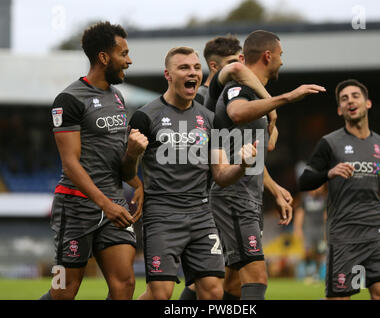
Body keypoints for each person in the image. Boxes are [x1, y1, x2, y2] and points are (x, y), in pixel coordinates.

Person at [129, 46, 257, 300]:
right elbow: (125, 171)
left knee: (213, 291)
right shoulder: (145, 116)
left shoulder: (211, 120)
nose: (193, 73)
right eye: (184, 67)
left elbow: (220, 175)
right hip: (162, 215)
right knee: (160, 294)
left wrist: (242, 165)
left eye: (197, 68)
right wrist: (132, 154)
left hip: (200, 214)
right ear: (168, 74)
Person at [210, 30, 325, 300]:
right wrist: (285, 99)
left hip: (245, 194)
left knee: (233, 283)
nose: (282, 62)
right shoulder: (240, 89)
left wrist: (274, 189)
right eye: (281, 56)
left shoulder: (255, 97)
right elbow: (236, 113)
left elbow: (253, 156)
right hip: (234, 196)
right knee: (257, 277)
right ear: (268, 55)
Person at [39, 21, 148, 300]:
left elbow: (113, 156)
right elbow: (70, 163)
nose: (129, 60)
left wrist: (136, 179)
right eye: (123, 53)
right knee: (65, 289)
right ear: (104, 57)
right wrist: (105, 204)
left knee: (124, 285)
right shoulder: (69, 99)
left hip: (114, 204)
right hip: (76, 207)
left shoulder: (118, 97)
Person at [299, 79, 380, 300]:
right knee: (340, 297)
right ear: (339, 109)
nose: (350, 101)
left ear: (368, 103)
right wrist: (329, 173)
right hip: (343, 232)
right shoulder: (329, 143)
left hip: (376, 231)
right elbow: (304, 181)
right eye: (344, 99)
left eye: (355, 96)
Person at [194, 35, 242, 108]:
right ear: (214, 66)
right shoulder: (198, 97)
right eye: (232, 62)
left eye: (241, 61)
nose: (239, 66)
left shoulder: (239, 91)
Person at [294, 184, 327, 283]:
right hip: (308, 229)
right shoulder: (304, 199)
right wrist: (298, 228)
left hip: (320, 229)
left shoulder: (324, 199)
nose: (319, 189)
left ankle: (315, 274)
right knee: (307, 251)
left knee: (319, 252)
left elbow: (326, 215)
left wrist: (327, 230)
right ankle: (308, 272)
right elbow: (300, 213)